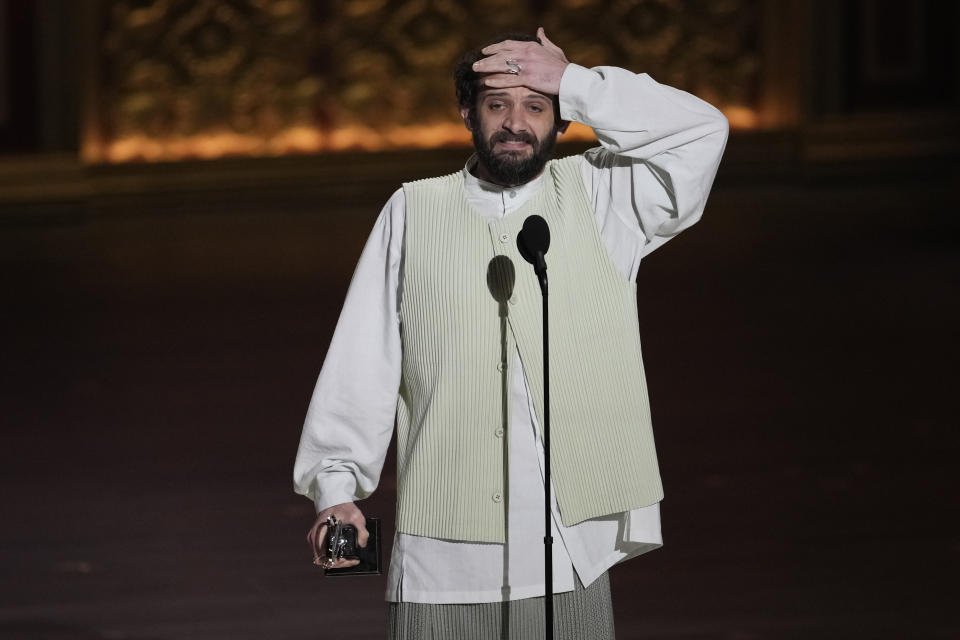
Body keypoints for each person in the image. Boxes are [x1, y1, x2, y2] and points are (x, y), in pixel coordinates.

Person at [294, 28, 728, 639]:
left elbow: (703, 132)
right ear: (468, 113)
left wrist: (574, 81)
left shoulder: (607, 196)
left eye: (537, 104)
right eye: (498, 104)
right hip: (443, 559)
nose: (516, 123)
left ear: (563, 118)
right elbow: (364, 358)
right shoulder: (412, 211)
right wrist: (336, 488)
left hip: (570, 554)